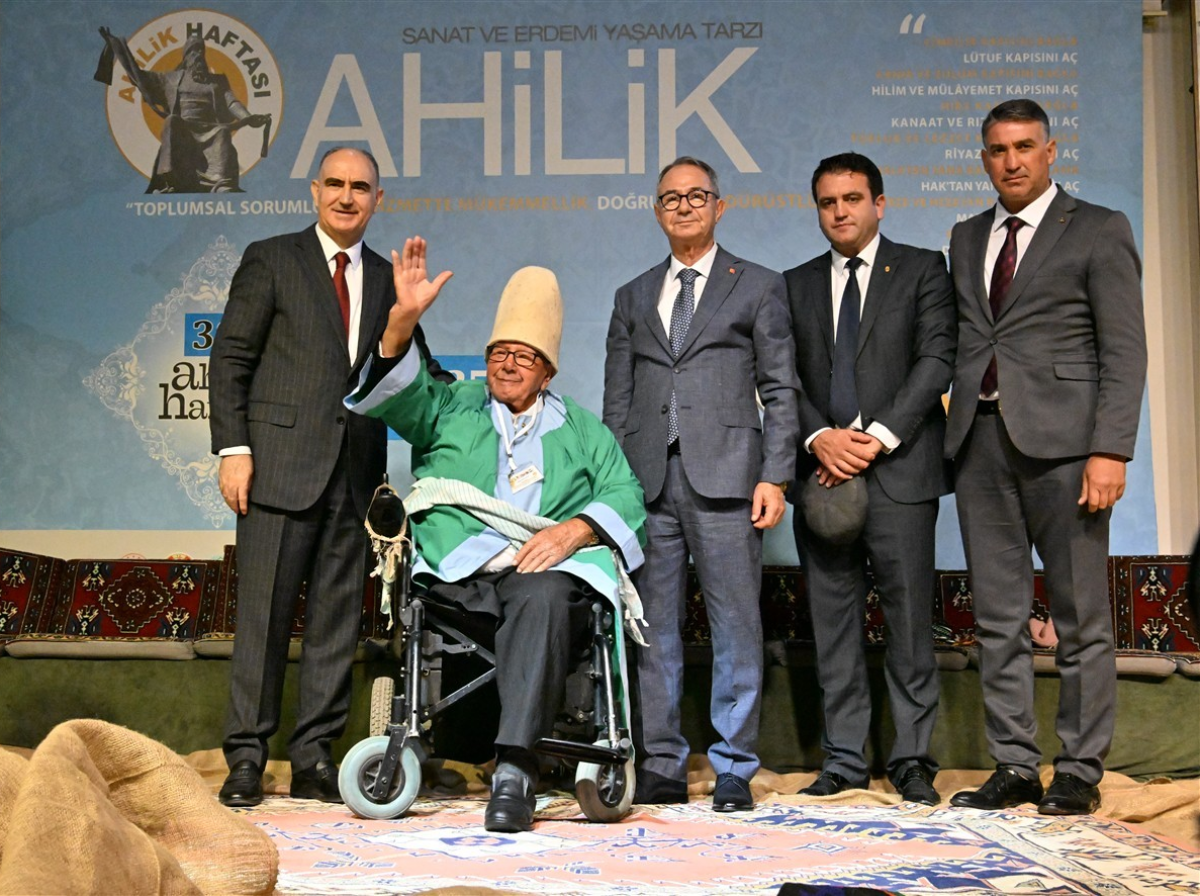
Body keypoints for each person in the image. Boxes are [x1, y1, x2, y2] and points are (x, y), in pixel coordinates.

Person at [345, 246, 647, 833]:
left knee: (545, 595)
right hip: (459, 578)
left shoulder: (582, 429)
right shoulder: (451, 406)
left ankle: (514, 769)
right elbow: (393, 394)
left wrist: (575, 531)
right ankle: (495, 757)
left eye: (524, 356)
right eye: (498, 353)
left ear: (548, 372)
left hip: (539, 582)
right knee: (530, 597)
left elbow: (625, 494)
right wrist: (401, 321)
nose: (507, 365)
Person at [209, 147, 448, 807]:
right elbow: (230, 358)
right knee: (262, 621)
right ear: (314, 190)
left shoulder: (388, 278)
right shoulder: (272, 259)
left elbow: (412, 376)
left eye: (361, 187)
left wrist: (413, 328)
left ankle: (314, 757)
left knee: (336, 626)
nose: (347, 196)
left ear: (378, 199)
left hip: (354, 478)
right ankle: (247, 759)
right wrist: (234, 448)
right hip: (276, 470)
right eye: (335, 184)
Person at [945, 99, 1147, 815]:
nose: (1012, 161)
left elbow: (1124, 350)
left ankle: (1080, 771)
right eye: (999, 150)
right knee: (997, 617)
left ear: (1051, 151)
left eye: (1025, 146)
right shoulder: (966, 236)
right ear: (984, 159)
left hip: (1068, 449)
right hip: (980, 444)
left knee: (1080, 616)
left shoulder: (1098, 227)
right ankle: (1015, 765)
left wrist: (1110, 449)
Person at [603, 156, 799, 812]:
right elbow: (617, 403)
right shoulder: (632, 295)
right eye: (671, 198)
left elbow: (780, 388)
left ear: (720, 206)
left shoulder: (759, 286)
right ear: (656, 210)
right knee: (652, 627)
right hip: (648, 485)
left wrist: (776, 475)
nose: (683, 207)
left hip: (730, 479)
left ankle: (735, 766)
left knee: (735, 626)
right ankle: (661, 762)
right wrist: (614, 488)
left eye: (696, 196)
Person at [784, 152, 956, 805]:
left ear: (879, 204)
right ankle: (844, 760)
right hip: (823, 476)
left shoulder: (922, 269)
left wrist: (877, 437)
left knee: (909, 625)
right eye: (828, 202)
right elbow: (780, 377)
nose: (840, 212)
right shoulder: (793, 285)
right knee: (833, 625)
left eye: (852, 199)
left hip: (900, 473)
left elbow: (937, 359)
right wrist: (819, 438)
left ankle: (911, 760)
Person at [97, 29, 270, 193]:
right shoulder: (170, 79)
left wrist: (249, 118)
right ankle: (171, 180)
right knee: (172, 120)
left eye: (200, 50)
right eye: (193, 51)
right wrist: (118, 47)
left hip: (211, 128)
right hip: (183, 128)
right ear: (186, 56)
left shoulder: (217, 81)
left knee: (223, 131)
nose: (198, 54)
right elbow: (139, 76)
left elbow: (231, 103)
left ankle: (219, 182)